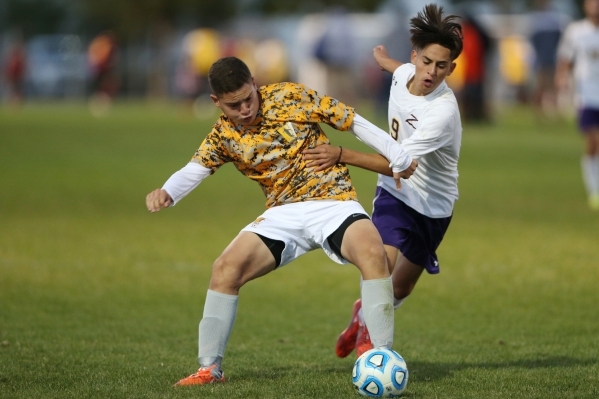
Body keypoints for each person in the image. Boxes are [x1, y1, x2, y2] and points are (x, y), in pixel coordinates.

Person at [145, 56, 418, 386]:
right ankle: (209, 369)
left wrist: (397, 154)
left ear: (255, 84)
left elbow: (352, 121)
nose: (245, 109)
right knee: (225, 268)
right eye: (235, 105)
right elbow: (195, 169)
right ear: (217, 102)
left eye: (249, 98)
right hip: (281, 212)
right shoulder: (222, 135)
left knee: (373, 254)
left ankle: (381, 355)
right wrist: (168, 192)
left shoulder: (291, 96)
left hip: (332, 200)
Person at [303, 3, 463, 358]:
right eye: (426, 62)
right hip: (394, 193)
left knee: (400, 288)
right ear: (415, 57)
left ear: (451, 68)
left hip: (433, 206)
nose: (431, 73)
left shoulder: (442, 113)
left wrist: (340, 154)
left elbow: (399, 162)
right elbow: (395, 69)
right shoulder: (404, 71)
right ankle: (371, 344)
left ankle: (362, 315)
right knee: (382, 266)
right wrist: (381, 58)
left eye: (441, 66)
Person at [555, 0, 599, 210]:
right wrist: (562, 77)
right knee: (592, 141)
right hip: (587, 96)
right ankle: (594, 191)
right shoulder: (576, 31)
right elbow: (565, 59)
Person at [529, 0, 565, 120]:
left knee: (552, 89)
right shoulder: (539, 20)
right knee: (541, 89)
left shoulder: (547, 20)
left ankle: (552, 114)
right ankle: (539, 114)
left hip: (549, 61)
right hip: (543, 61)